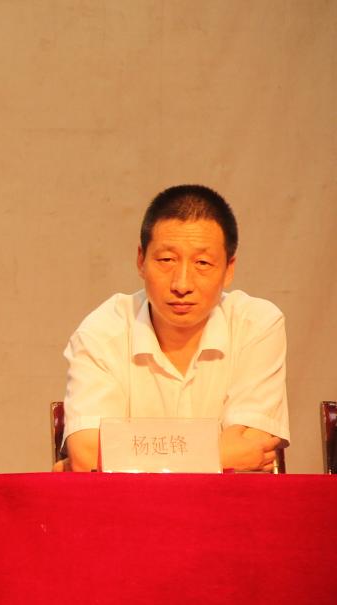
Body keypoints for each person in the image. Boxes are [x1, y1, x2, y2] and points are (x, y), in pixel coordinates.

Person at [60, 184, 288, 472]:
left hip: (227, 502)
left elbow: (252, 448)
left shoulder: (257, 325)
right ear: (141, 260)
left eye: (202, 263)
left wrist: (126, 457)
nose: (182, 284)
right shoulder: (102, 332)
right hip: (131, 503)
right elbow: (88, 455)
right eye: (166, 260)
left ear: (229, 268)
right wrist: (219, 455)